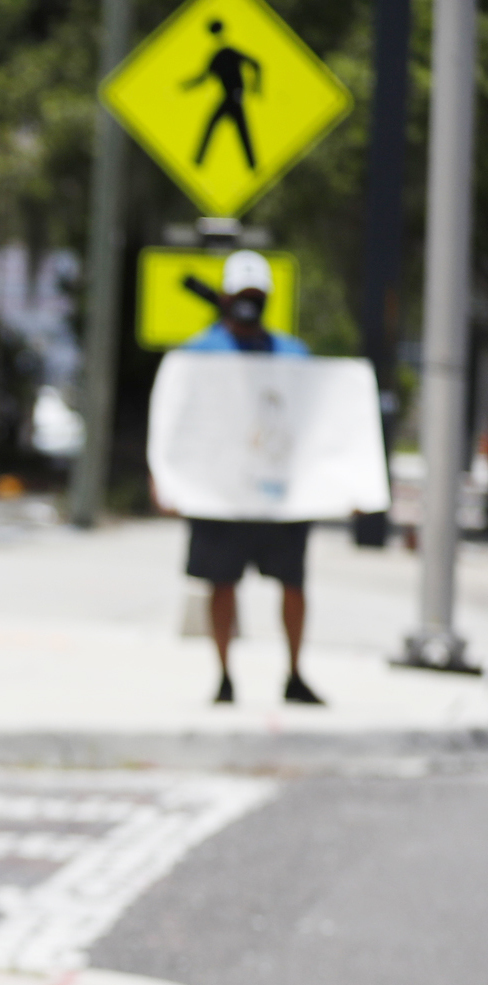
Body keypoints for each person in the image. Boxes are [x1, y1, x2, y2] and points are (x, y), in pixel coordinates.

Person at [180, 249, 323, 708]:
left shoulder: (293, 354)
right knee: (222, 583)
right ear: (224, 296)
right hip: (223, 493)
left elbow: (319, 423)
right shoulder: (198, 353)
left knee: (294, 584)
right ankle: (223, 677)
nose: (248, 302)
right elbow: (179, 422)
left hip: (279, 495)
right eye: (241, 294)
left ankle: (295, 674)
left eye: (256, 295)